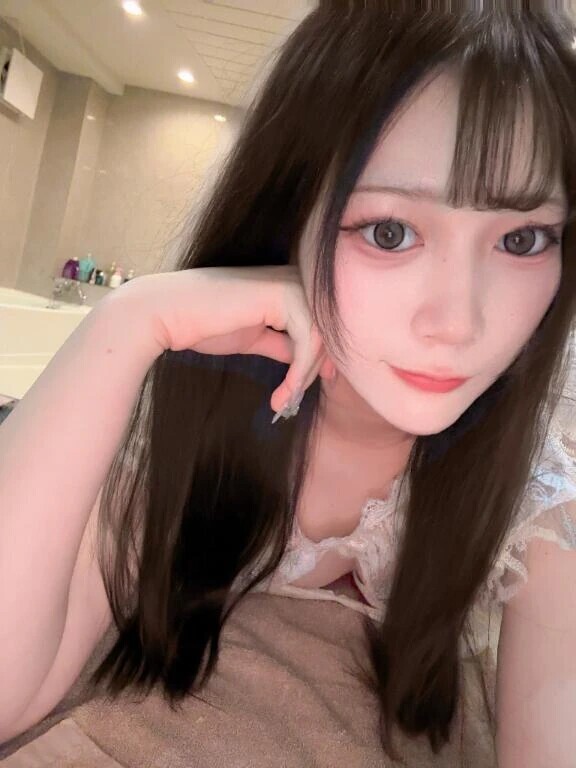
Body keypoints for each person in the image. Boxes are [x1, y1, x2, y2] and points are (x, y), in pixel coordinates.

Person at [1, 2, 576, 765]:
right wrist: (129, 319)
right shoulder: (182, 421)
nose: (460, 322)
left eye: (523, 238)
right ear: (288, 212)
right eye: (391, 231)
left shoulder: (534, 505)